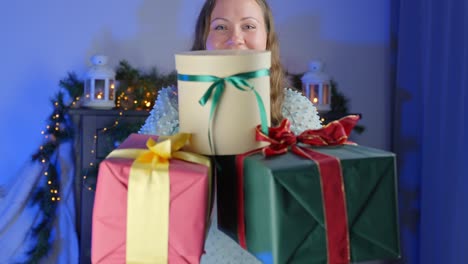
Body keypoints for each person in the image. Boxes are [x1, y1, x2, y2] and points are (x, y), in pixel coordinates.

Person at [139, 0, 323, 263]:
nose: (235, 38)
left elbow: (315, 191)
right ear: (204, 38)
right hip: (195, 250)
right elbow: (140, 175)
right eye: (221, 27)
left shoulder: (294, 108)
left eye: (248, 26)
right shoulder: (173, 104)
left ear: (266, 37)